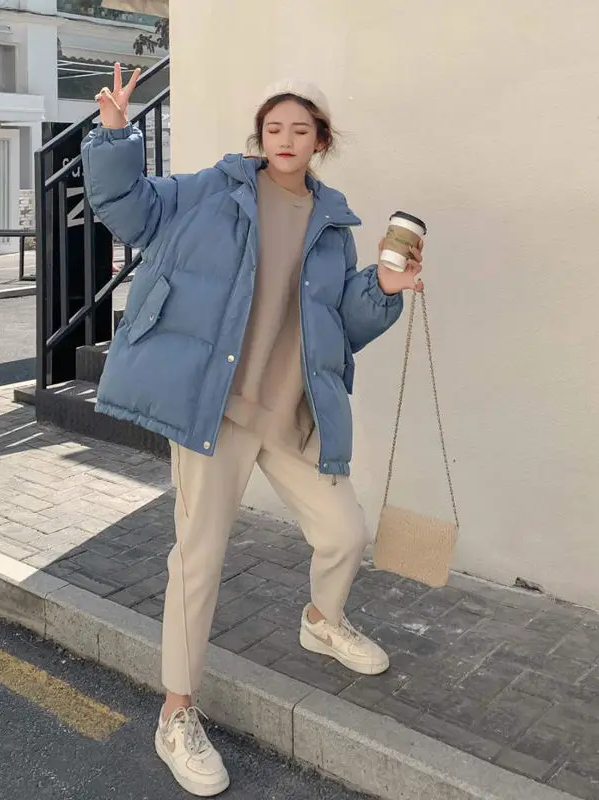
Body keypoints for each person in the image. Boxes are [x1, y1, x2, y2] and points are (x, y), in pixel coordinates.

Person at [82, 64, 424, 797]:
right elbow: (129, 209)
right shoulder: (214, 190)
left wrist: (383, 289)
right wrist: (115, 136)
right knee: (198, 559)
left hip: (289, 411)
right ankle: (176, 712)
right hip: (216, 410)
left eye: (300, 129)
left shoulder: (334, 227)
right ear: (260, 137)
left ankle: (320, 619)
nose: (285, 139)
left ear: (321, 141)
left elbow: (340, 325)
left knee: (344, 532)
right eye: (274, 128)